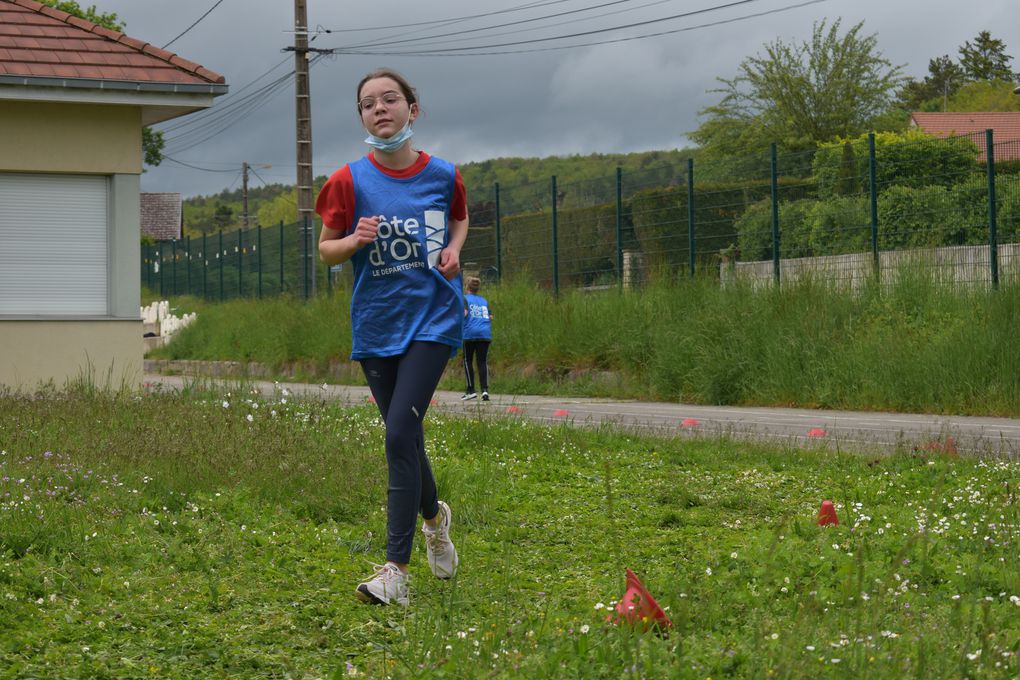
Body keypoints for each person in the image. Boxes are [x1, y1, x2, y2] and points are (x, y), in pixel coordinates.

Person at [315, 68, 466, 607]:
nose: (379, 109)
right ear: (362, 118)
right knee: (406, 436)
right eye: (367, 104)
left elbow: (459, 218)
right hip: (377, 326)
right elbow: (325, 249)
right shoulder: (347, 181)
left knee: (400, 430)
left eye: (390, 99)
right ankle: (434, 517)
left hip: (433, 320)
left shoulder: (444, 174)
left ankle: (394, 571)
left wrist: (453, 250)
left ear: (412, 110)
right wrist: (353, 239)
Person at [461, 277, 493, 402]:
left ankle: (471, 390)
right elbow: (490, 316)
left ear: (466, 287)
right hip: (485, 333)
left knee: (467, 360)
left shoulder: (464, 299)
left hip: (469, 332)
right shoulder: (484, 301)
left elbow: (464, 313)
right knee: (482, 362)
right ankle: (485, 390)